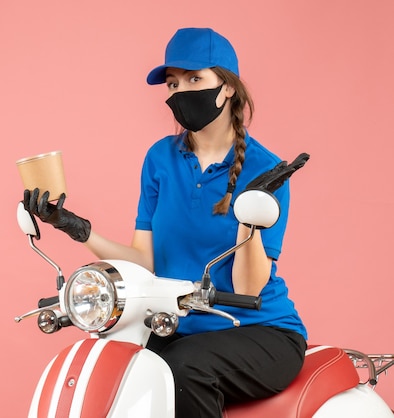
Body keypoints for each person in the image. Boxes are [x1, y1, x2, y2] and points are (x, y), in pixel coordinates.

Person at [23, 27, 307, 417]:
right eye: (173, 84)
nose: (180, 92)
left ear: (226, 87)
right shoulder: (161, 158)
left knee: (183, 370)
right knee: (112, 364)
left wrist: (250, 212)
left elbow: (248, 286)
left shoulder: (265, 169)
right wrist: (76, 228)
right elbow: (144, 261)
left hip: (259, 331)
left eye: (194, 79)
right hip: (176, 325)